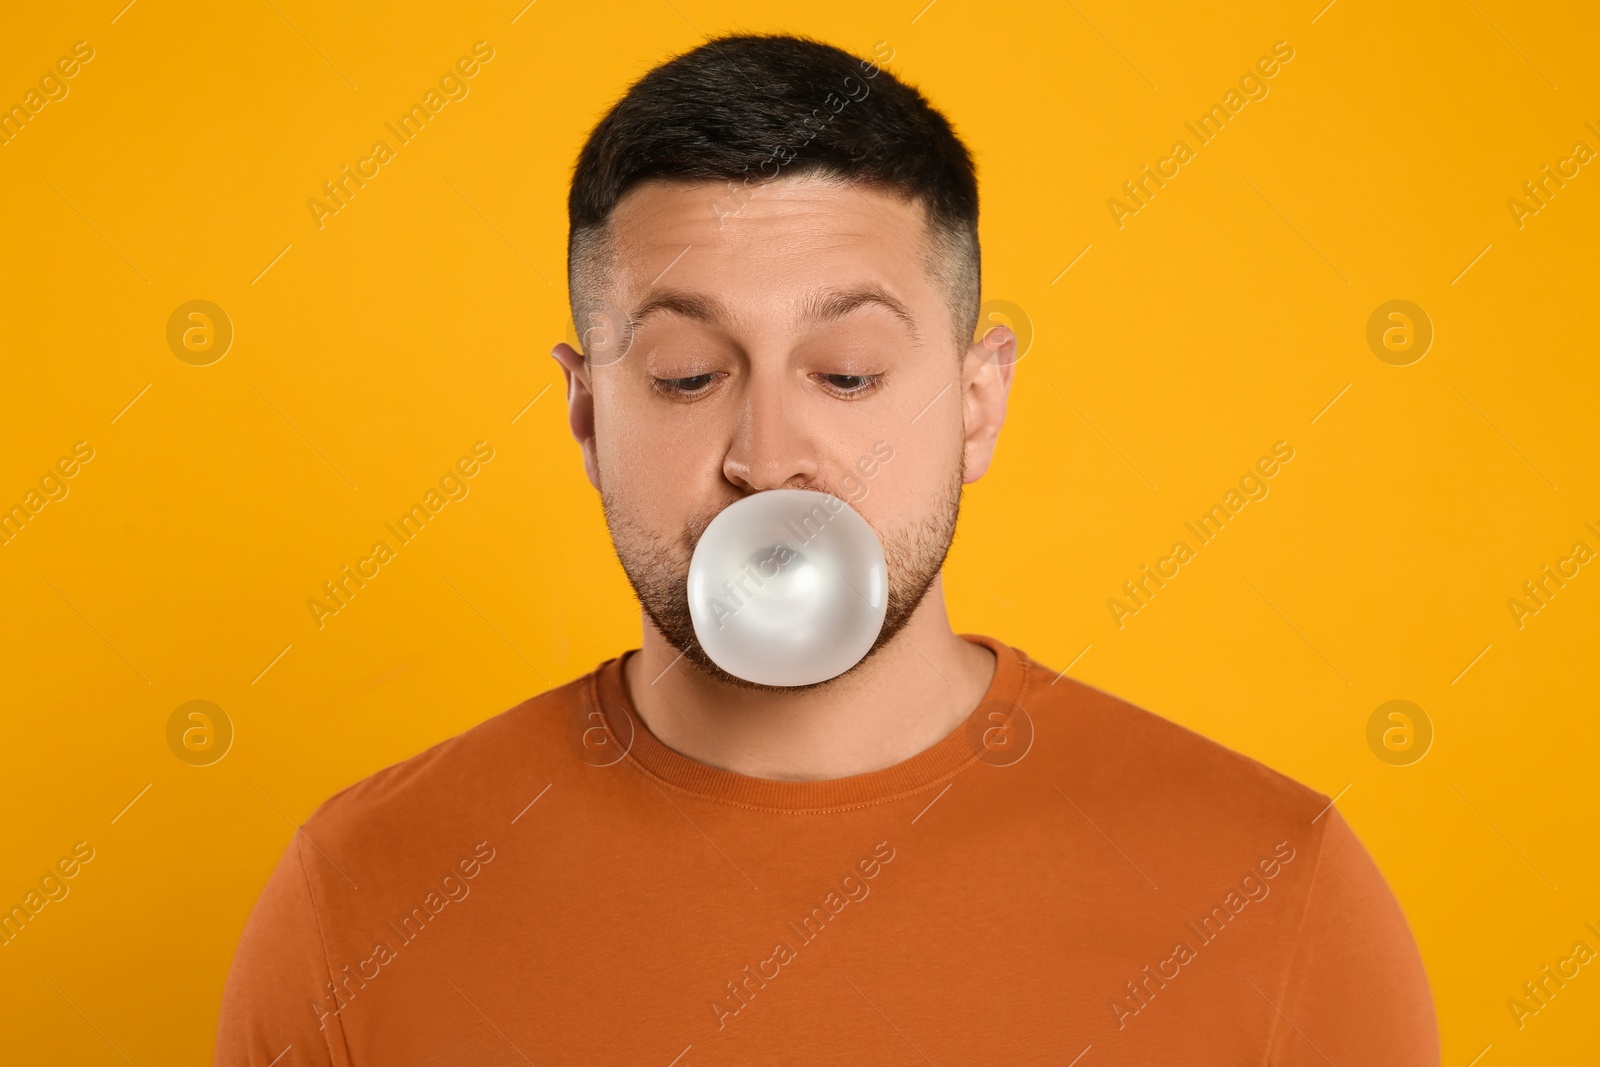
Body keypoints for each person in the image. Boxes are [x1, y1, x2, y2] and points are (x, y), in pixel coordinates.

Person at [216, 32, 1438, 1065]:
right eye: (687, 374)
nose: (769, 452)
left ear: (976, 401)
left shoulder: (1273, 890)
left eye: (846, 373)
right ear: (587, 413)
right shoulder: (363, 893)